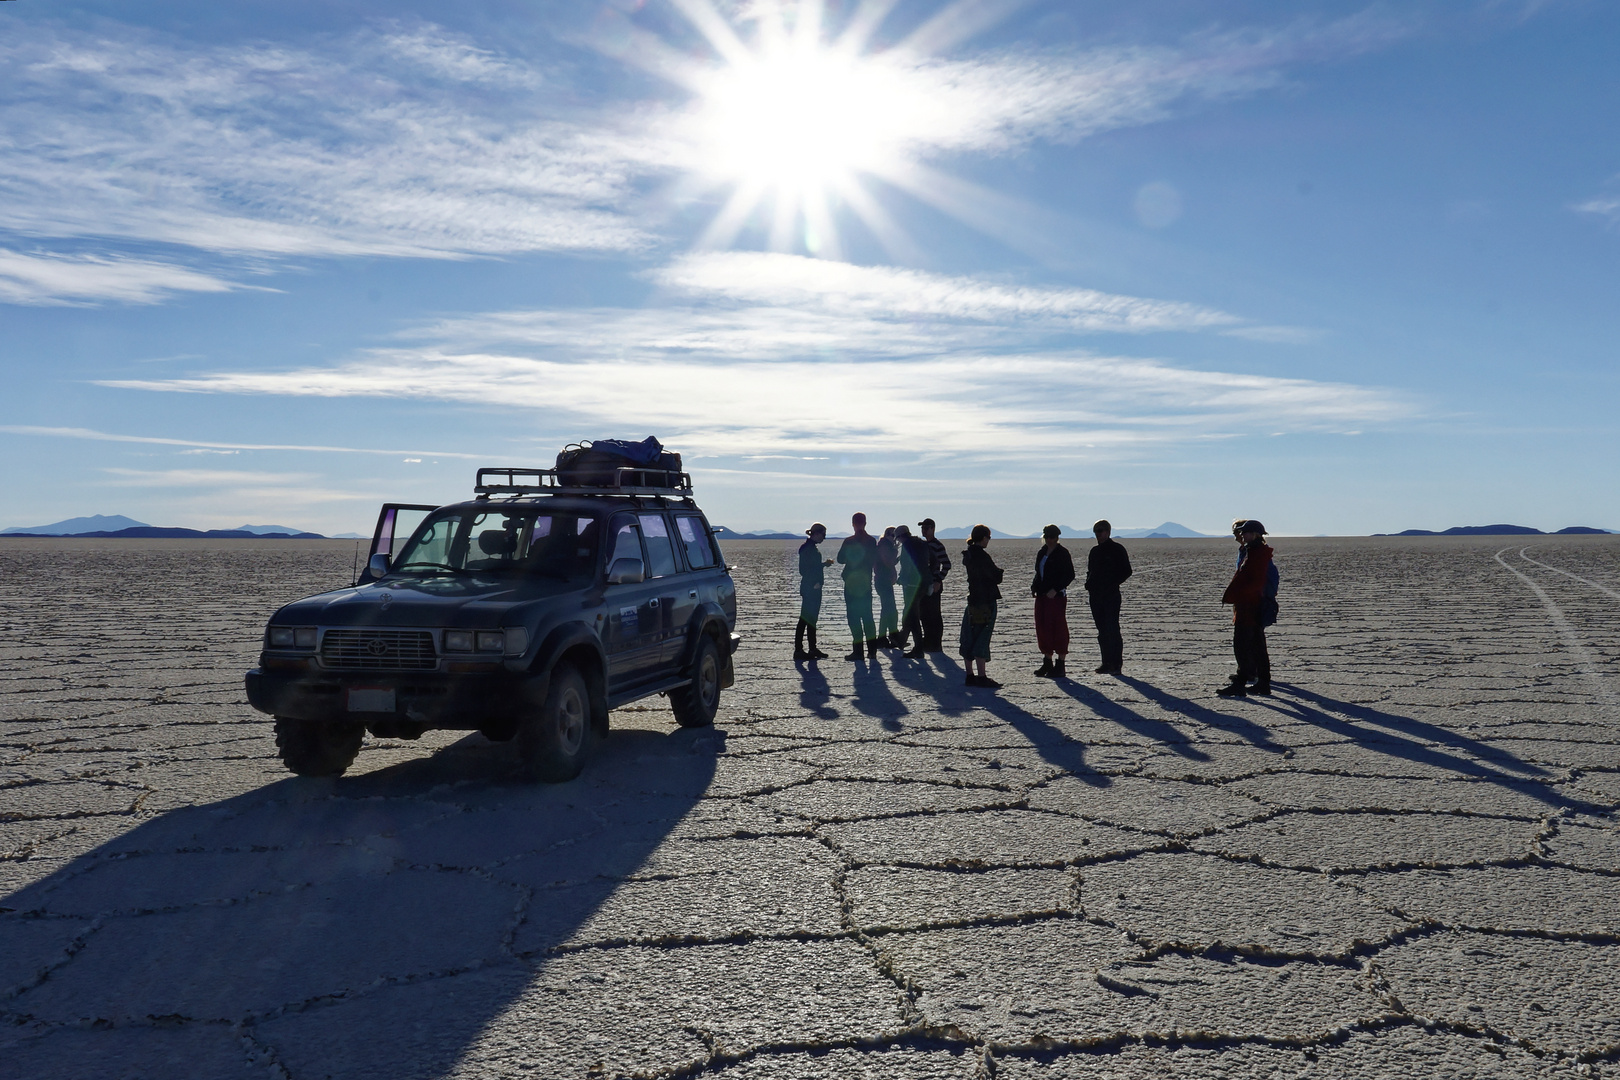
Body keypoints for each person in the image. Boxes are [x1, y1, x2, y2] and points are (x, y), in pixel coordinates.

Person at [1219, 519, 1273, 697]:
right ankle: (1263, 683)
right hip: (1250, 604)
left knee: (1243, 644)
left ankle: (1240, 684)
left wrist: (1241, 595)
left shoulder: (1257, 554)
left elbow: (1254, 581)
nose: (1242, 535)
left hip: (1249, 606)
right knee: (1257, 645)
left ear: (1255, 534)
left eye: (1245, 532)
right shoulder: (1253, 551)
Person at [1083, 519, 1132, 674]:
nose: (1099, 534)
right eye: (1096, 531)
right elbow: (1090, 571)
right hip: (1096, 596)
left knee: (1112, 629)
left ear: (1108, 532)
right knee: (1102, 630)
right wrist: (1089, 584)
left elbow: (1127, 571)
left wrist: (1112, 583)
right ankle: (1106, 662)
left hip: (1111, 595)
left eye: (1101, 530)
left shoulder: (1117, 549)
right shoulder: (1095, 551)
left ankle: (1116, 663)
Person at [959, 524, 1004, 688]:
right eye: (988, 538)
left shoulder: (969, 555)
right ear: (983, 537)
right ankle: (982, 676)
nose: (989, 541)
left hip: (973, 600)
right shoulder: (981, 556)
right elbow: (994, 576)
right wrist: (999, 572)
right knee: (981, 636)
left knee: (969, 635)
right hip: (985, 600)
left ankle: (969, 674)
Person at [1030, 524, 1075, 678]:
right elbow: (1038, 573)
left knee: (1058, 627)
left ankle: (1060, 664)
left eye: (1052, 537)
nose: (1049, 540)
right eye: (1047, 536)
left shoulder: (1062, 553)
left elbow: (1069, 574)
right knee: (1042, 627)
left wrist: (1055, 589)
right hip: (1042, 596)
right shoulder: (1042, 552)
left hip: (1056, 597)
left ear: (1057, 538)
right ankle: (1047, 661)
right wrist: (1034, 587)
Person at [836, 512, 879, 660]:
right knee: (868, 618)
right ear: (865, 523)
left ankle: (858, 652)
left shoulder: (849, 541)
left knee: (854, 618)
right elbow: (874, 559)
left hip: (852, 586)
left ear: (853, 524)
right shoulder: (872, 541)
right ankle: (872, 651)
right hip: (866, 585)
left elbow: (840, 559)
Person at [794, 523, 833, 661]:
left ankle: (812, 648)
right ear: (816, 534)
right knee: (804, 619)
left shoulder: (811, 548)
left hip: (814, 588)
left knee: (812, 620)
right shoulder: (807, 548)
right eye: (823, 534)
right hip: (810, 588)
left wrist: (823, 565)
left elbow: (813, 567)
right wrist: (814, 583)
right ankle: (798, 650)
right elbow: (804, 570)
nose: (824, 538)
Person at [896, 525, 930, 658]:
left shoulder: (907, 545)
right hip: (923, 583)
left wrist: (902, 579)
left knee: (913, 616)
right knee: (912, 614)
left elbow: (907, 565)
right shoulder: (922, 543)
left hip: (911, 585)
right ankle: (902, 639)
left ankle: (918, 649)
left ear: (900, 537)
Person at [918, 517, 951, 651]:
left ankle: (936, 643)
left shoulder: (937, 545)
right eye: (922, 528)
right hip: (924, 584)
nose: (924, 530)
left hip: (934, 585)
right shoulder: (924, 545)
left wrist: (938, 580)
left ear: (933, 529)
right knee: (924, 614)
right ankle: (928, 641)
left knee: (935, 615)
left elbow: (947, 564)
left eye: (926, 528)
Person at [874, 526, 900, 647]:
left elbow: (888, 562)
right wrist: (895, 551)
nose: (893, 537)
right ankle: (888, 637)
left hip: (883, 581)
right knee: (890, 610)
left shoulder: (884, 545)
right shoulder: (884, 546)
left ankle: (885, 637)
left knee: (887, 610)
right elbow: (888, 562)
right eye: (891, 535)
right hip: (883, 582)